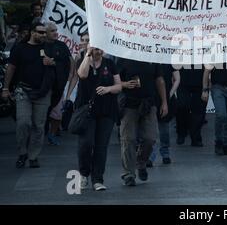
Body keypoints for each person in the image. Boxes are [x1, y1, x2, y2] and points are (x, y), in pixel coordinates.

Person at [2, 22, 55, 168]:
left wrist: (52, 63)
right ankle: (22, 152)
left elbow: (62, 67)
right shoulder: (20, 48)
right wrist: (5, 88)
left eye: (45, 32)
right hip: (23, 91)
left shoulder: (49, 48)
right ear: (32, 32)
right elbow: (11, 68)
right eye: (40, 32)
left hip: (43, 93)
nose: (43, 35)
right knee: (23, 123)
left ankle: (33, 156)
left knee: (39, 126)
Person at [76, 45, 122, 191]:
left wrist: (108, 89)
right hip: (87, 110)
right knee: (86, 143)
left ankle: (98, 179)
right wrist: (87, 55)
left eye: (101, 49)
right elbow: (82, 75)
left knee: (101, 146)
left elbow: (119, 86)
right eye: (95, 49)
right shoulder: (83, 60)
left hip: (107, 110)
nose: (98, 52)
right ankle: (84, 173)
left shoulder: (110, 63)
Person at [116, 58, 168, 186]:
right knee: (128, 139)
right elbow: (114, 80)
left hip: (148, 103)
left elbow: (159, 80)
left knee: (151, 138)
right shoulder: (123, 58)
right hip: (128, 103)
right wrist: (124, 84)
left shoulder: (151, 56)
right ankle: (128, 173)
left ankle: (141, 162)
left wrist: (164, 102)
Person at [45, 22, 74, 145]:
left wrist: (71, 76)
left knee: (57, 114)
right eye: (52, 30)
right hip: (43, 87)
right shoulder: (40, 46)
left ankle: (52, 133)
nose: (55, 33)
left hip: (59, 85)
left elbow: (70, 61)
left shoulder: (62, 46)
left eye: (56, 30)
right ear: (45, 33)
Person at [176, 65, 207, 147]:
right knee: (182, 106)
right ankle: (181, 132)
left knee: (198, 111)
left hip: (199, 80)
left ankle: (195, 137)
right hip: (183, 80)